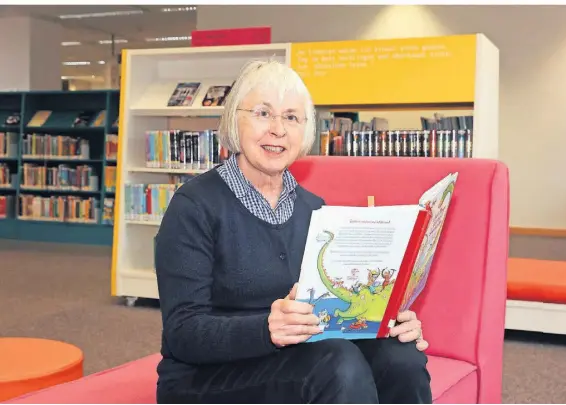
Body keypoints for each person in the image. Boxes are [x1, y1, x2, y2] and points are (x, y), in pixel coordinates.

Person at [154, 59, 432, 404]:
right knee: (337, 364)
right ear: (232, 121)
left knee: (401, 357)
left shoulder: (316, 209)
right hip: (207, 377)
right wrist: (266, 328)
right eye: (262, 113)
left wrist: (385, 318)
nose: (278, 129)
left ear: (305, 132)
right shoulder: (193, 206)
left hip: (295, 355)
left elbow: (334, 308)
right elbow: (183, 332)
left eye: (291, 117)